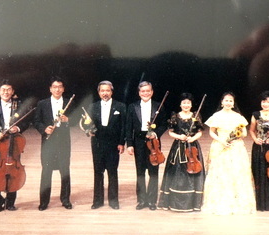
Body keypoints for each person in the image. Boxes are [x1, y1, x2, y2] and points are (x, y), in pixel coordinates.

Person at [201, 92, 256, 214]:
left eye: (231, 101)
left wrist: (235, 137)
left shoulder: (238, 116)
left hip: (236, 146)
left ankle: (237, 202)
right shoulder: (216, 116)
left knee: (236, 173)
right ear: (222, 102)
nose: (228, 103)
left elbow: (244, 133)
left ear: (233, 103)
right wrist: (222, 141)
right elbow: (211, 132)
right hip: (220, 146)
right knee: (220, 173)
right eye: (226, 100)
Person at [0, 81, 28, 211]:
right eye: (3, 89)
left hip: (14, 143)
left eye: (9, 89)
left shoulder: (18, 106)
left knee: (14, 171)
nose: (6, 92)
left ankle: (10, 203)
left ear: (12, 91)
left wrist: (18, 128)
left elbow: (26, 122)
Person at [157, 93, 205, 212]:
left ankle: (192, 204)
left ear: (191, 104)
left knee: (194, 170)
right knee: (177, 172)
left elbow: (200, 132)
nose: (186, 105)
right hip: (178, 147)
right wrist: (180, 137)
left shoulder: (196, 115)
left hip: (192, 147)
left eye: (188, 103)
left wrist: (193, 138)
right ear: (180, 104)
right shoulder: (175, 116)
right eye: (184, 103)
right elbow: (170, 132)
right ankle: (174, 203)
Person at [125, 81, 167, 210]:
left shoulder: (158, 106)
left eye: (148, 91)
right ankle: (142, 200)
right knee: (140, 172)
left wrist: (156, 133)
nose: (145, 93)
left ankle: (152, 201)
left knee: (153, 172)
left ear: (152, 92)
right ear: (139, 93)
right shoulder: (132, 107)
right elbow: (129, 127)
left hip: (154, 143)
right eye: (143, 91)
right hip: (138, 142)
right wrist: (129, 144)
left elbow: (164, 124)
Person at [86, 80, 127, 209]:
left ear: (111, 92)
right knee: (98, 172)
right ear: (99, 92)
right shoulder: (92, 106)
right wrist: (88, 131)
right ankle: (97, 201)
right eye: (102, 90)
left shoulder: (120, 106)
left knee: (112, 172)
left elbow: (123, 126)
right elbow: (87, 124)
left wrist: (121, 143)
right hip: (97, 143)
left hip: (113, 144)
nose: (105, 93)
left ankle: (113, 201)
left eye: (107, 90)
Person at [34, 78, 73, 210]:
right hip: (48, 141)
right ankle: (44, 201)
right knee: (46, 171)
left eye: (60, 87)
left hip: (63, 141)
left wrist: (68, 120)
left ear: (63, 89)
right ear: (50, 89)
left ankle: (65, 200)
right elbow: (36, 121)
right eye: (54, 87)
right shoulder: (42, 104)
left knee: (65, 171)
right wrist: (44, 129)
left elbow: (76, 119)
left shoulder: (69, 102)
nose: (57, 89)